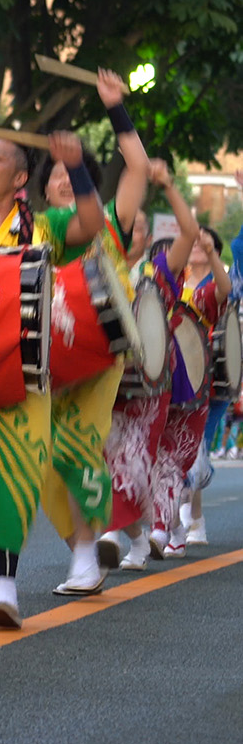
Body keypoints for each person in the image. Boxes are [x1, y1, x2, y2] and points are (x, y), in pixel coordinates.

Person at [0, 128, 104, 628]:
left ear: (21, 177)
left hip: (18, 368)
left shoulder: (42, 225)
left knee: (9, 472)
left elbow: (91, 224)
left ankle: (6, 585)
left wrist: (75, 167)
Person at [35, 69, 149, 594]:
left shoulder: (109, 219)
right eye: (55, 174)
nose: (62, 178)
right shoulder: (30, 229)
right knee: (40, 455)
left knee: (79, 444)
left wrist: (114, 107)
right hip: (41, 354)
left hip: (100, 351)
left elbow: (139, 166)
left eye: (71, 172)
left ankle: (86, 552)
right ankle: (81, 540)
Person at [98, 169, 199, 570]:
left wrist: (170, 187)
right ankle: (138, 539)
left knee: (135, 458)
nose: (135, 230)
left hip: (151, 384)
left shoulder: (158, 271)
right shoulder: (99, 266)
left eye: (142, 226)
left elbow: (188, 235)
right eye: (130, 224)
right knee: (106, 459)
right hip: (105, 378)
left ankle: (110, 533)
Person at [157, 225, 230, 557]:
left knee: (192, 456)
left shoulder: (209, 287)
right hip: (167, 383)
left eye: (206, 242)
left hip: (208, 383)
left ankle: (187, 519)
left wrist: (213, 254)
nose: (198, 245)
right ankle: (174, 525)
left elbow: (225, 291)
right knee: (174, 457)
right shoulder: (169, 282)